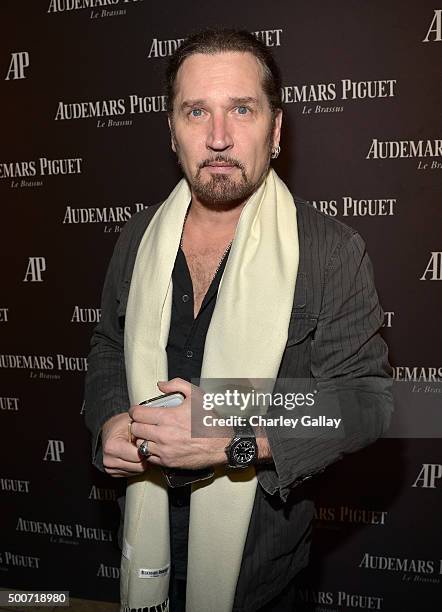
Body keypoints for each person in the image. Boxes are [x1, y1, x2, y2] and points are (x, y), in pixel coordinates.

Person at [84, 29, 393, 612]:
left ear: (275, 131)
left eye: (241, 110)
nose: (219, 137)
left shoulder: (328, 251)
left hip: (260, 574)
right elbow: (106, 348)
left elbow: (366, 401)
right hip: (144, 550)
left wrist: (232, 439)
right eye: (196, 111)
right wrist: (108, 423)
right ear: (171, 129)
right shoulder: (137, 240)